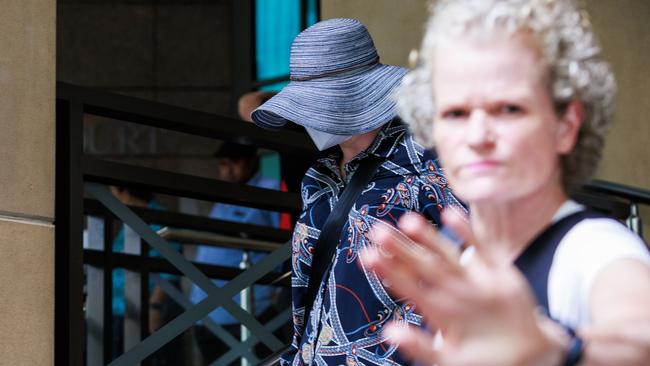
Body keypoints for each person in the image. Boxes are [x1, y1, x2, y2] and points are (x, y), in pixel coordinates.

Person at [361, 0, 650, 365]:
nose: (478, 134)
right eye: (455, 113)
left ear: (566, 126)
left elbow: (639, 335)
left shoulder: (595, 248)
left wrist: (555, 350)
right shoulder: (458, 260)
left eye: (509, 109)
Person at [251, 18, 465, 366]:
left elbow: (471, 267)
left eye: (314, 104)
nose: (307, 119)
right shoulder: (317, 178)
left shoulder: (429, 161)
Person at [190, 141, 282, 364]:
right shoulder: (227, 194)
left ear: (251, 162)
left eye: (235, 162)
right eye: (223, 164)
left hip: (248, 308)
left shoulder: (269, 188)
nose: (227, 170)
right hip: (207, 311)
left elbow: (288, 239)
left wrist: (279, 287)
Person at [109, 186, 184, 365]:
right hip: (123, 306)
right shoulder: (132, 217)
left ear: (123, 192)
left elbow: (170, 266)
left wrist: (155, 306)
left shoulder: (157, 216)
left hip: (146, 307)